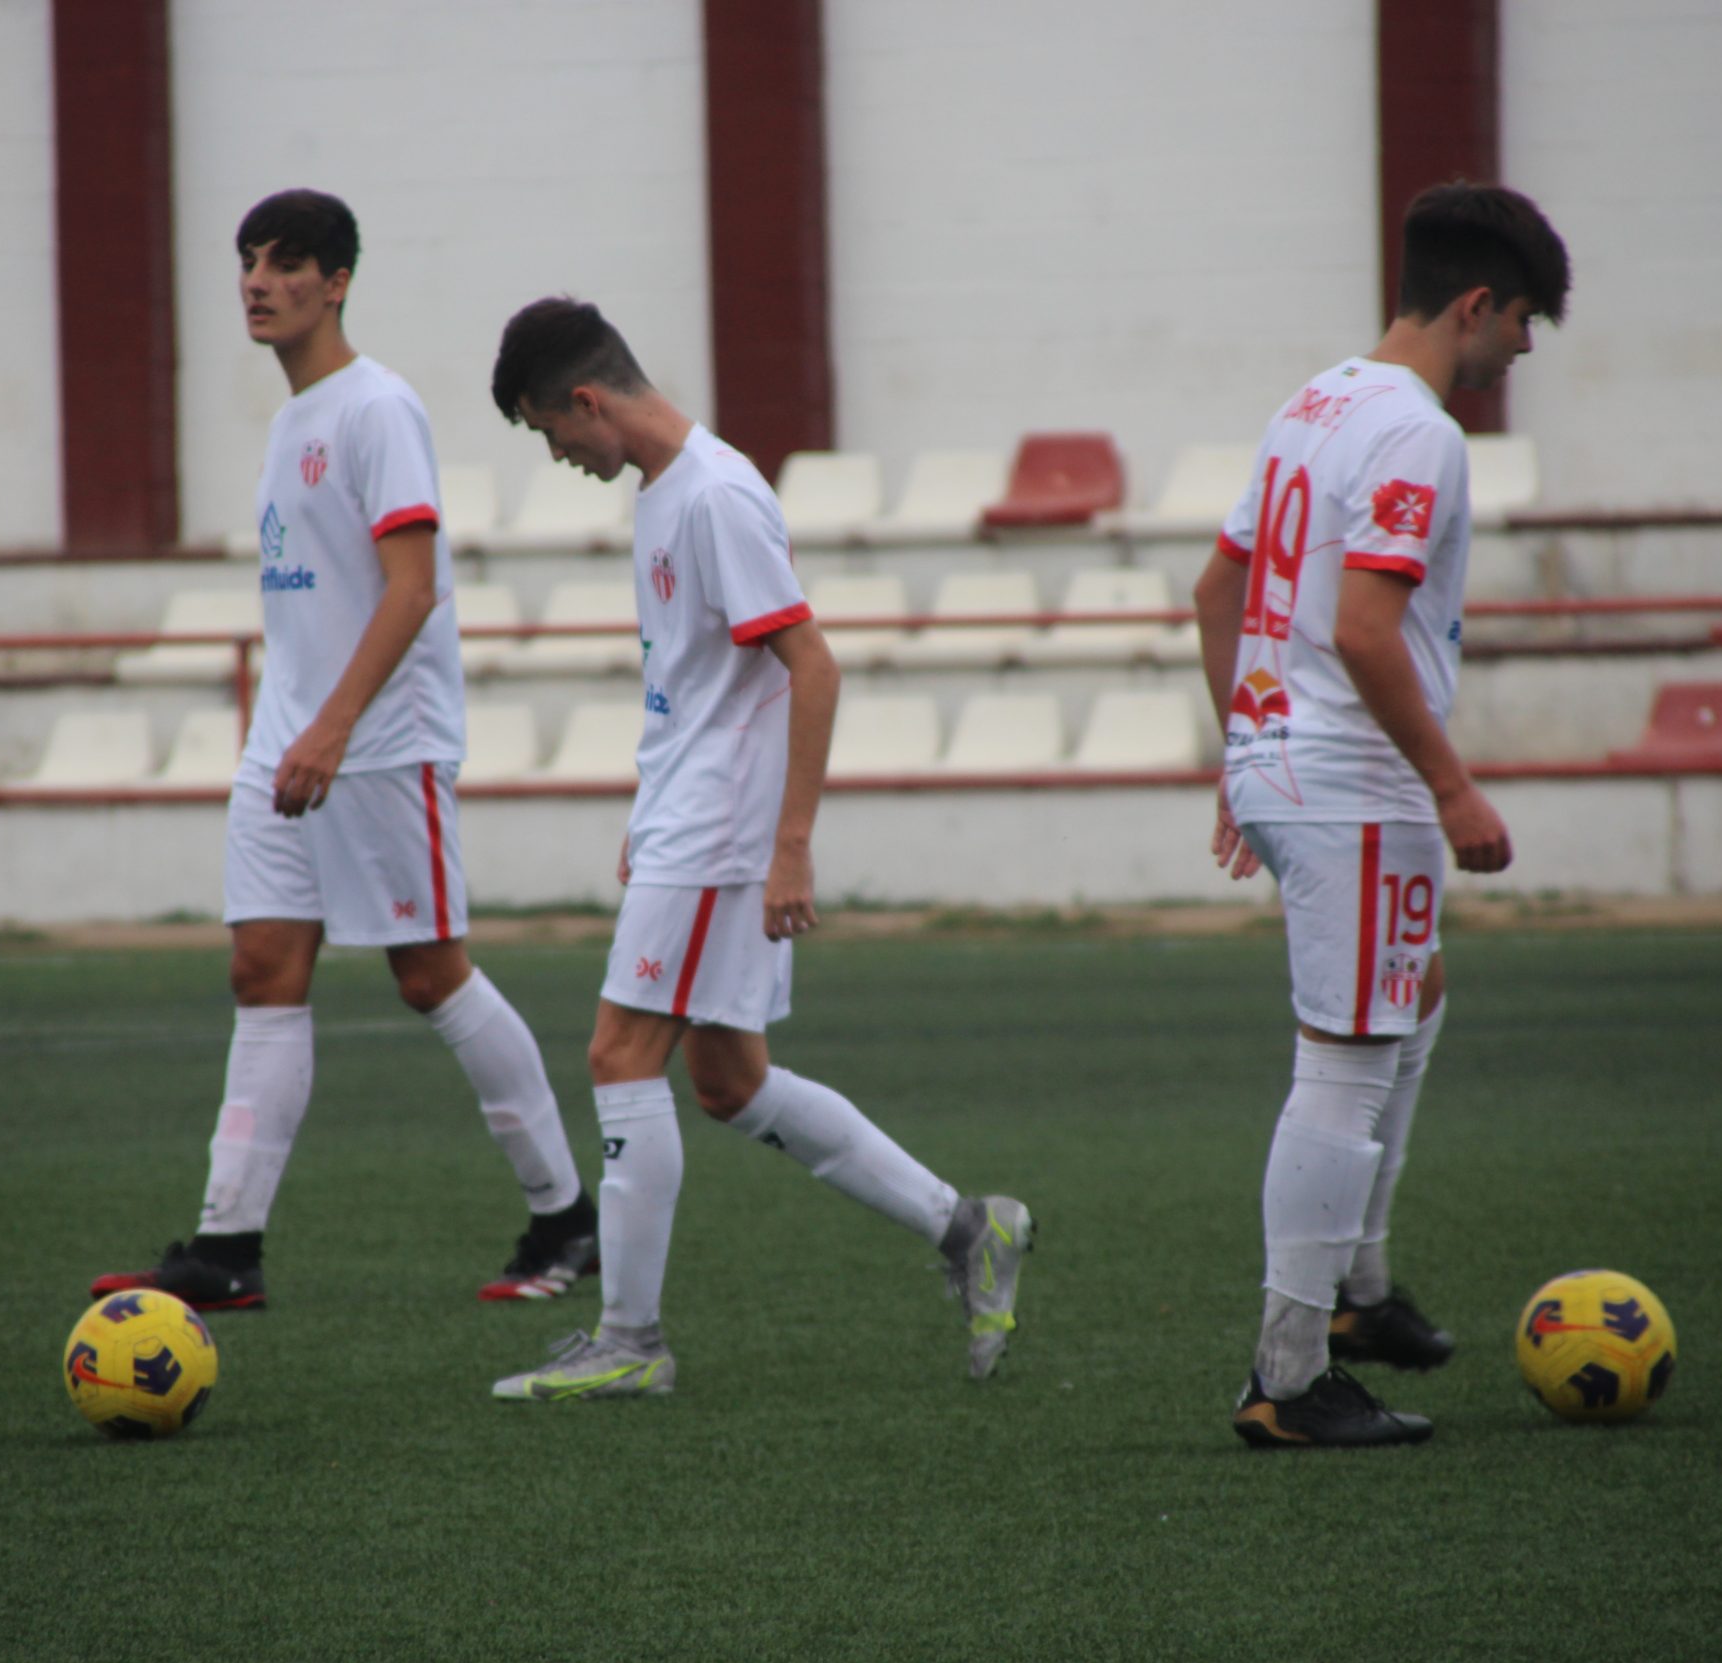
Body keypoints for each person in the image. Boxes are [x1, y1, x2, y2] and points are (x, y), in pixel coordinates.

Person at [482, 297, 1032, 1400]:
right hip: (689, 820)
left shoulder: (717, 495)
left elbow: (812, 666)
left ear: (585, 400)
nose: (560, 457)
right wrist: (649, 814)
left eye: (550, 433)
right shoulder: (664, 492)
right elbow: (694, 685)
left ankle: (631, 1342)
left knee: (618, 1056)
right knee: (729, 1080)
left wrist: (791, 847)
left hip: (722, 832)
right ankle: (968, 1227)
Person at [92, 191, 594, 1312]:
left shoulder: (378, 408)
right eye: (248, 261)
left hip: (377, 745)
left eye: (286, 264)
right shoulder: (290, 422)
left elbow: (411, 589)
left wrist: (332, 726)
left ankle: (566, 1219)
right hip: (289, 739)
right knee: (262, 972)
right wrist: (297, 726)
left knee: (429, 976)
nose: (258, 282)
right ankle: (227, 1249)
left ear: (337, 282)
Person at [1195, 181, 1571, 1447]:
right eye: (1522, 323)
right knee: (1345, 1060)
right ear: (1476, 304)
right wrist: (1450, 784)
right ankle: (1288, 1381)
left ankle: (1357, 1292)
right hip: (1354, 781)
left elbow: (1216, 590)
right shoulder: (1418, 432)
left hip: (1289, 760)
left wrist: (1245, 746)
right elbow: (1364, 629)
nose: (1521, 350)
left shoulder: (1313, 402)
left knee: (1413, 990)